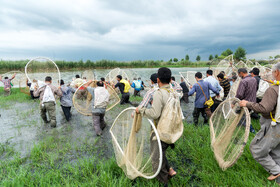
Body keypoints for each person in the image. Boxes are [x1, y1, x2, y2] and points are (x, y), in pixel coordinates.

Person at [239, 62, 280, 184]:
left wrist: (247, 104)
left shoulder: (273, 90)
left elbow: (264, 108)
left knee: (257, 149)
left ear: (277, 72)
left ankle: (276, 170)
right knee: (276, 150)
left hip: (273, 125)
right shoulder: (276, 87)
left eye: (273, 72)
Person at [136, 67, 176, 185]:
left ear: (158, 80)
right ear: (170, 79)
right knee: (161, 152)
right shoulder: (173, 91)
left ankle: (163, 181)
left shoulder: (159, 93)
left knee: (156, 157)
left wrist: (141, 111)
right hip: (172, 128)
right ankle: (169, 170)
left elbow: (155, 113)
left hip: (160, 130)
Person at [236, 68, 257, 133]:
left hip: (245, 103)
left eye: (239, 74)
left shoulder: (243, 81)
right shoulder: (254, 79)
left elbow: (240, 94)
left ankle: (251, 130)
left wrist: (234, 102)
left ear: (241, 73)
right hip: (253, 102)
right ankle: (239, 127)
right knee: (246, 116)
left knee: (243, 117)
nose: (239, 76)